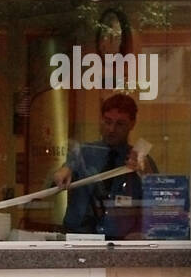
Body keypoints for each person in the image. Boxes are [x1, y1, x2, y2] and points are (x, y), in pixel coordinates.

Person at [52, 93, 158, 240]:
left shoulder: (141, 161)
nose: (112, 129)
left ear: (132, 124)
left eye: (120, 124)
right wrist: (62, 172)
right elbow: (58, 180)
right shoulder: (83, 153)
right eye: (107, 122)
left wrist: (146, 173)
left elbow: (158, 200)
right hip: (79, 236)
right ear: (101, 119)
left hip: (122, 240)